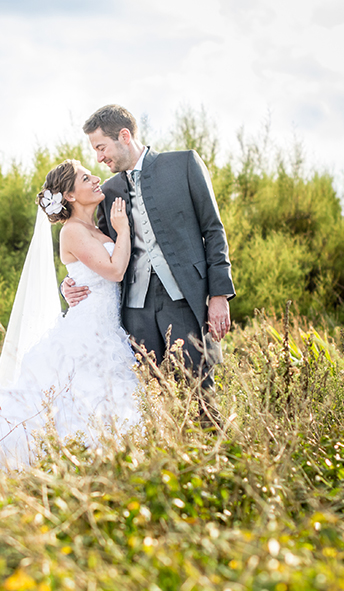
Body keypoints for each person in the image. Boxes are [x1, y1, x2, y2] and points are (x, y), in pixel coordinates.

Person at [0, 160, 141, 470]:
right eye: (86, 177)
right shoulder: (72, 230)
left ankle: (97, 464)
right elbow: (113, 270)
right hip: (86, 334)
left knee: (98, 402)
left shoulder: (95, 226)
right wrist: (124, 230)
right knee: (75, 400)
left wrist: (68, 285)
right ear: (69, 195)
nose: (96, 178)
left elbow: (90, 272)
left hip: (106, 330)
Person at [62, 104, 235, 428]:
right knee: (143, 404)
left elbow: (213, 230)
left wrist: (219, 295)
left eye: (101, 147)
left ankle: (214, 466)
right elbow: (95, 246)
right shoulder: (109, 190)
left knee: (199, 396)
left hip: (184, 301)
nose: (99, 158)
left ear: (124, 136)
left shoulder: (183, 164)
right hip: (133, 311)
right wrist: (69, 283)